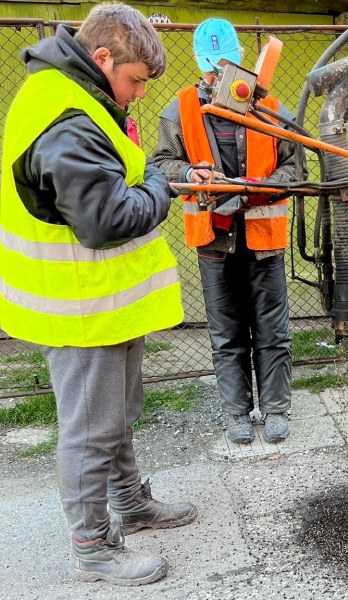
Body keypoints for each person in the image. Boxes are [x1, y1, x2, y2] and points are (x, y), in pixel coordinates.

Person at [0, 2, 197, 587]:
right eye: (135, 79)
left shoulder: (78, 98)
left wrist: (144, 180)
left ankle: (130, 504)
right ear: (103, 56)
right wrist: (159, 183)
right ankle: (92, 549)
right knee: (90, 430)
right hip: (79, 305)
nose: (137, 93)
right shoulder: (65, 114)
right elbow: (107, 217)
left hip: (101, 300)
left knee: (116, 415)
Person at [153, 18, 303, 446]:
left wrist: (266, 185)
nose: (219, 75)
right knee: (226, 333)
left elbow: (297, 165)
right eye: (211, 67)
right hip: (215, 238)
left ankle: (275, 409)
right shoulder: (180, 109)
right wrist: (187, 171)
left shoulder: (269, 107)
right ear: (200, 66)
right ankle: (237, 413)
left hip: (262, 238)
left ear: (240, 60)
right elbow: (159, 163)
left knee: (272, 330)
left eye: (226, 65)